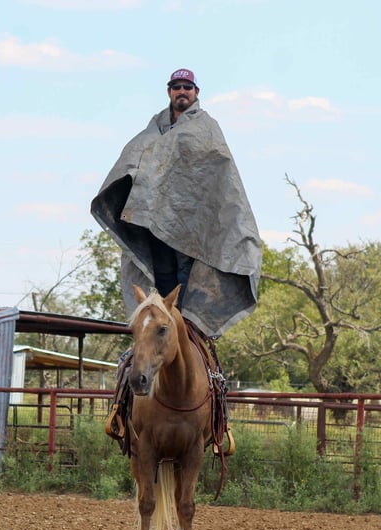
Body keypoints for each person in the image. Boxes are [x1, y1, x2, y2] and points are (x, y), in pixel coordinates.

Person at [91, 68, 262, 338]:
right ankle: (160, 333)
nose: (182, 91)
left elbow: (220, 175)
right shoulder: (153, 129)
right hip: (156, 224)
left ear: (196, 92)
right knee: (161, 276)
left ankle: (187, 334)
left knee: (187, 280)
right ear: (169, 91)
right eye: (176, 87)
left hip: (192, 226)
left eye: (187, 87)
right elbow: (134, 161)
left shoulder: (205, 128)